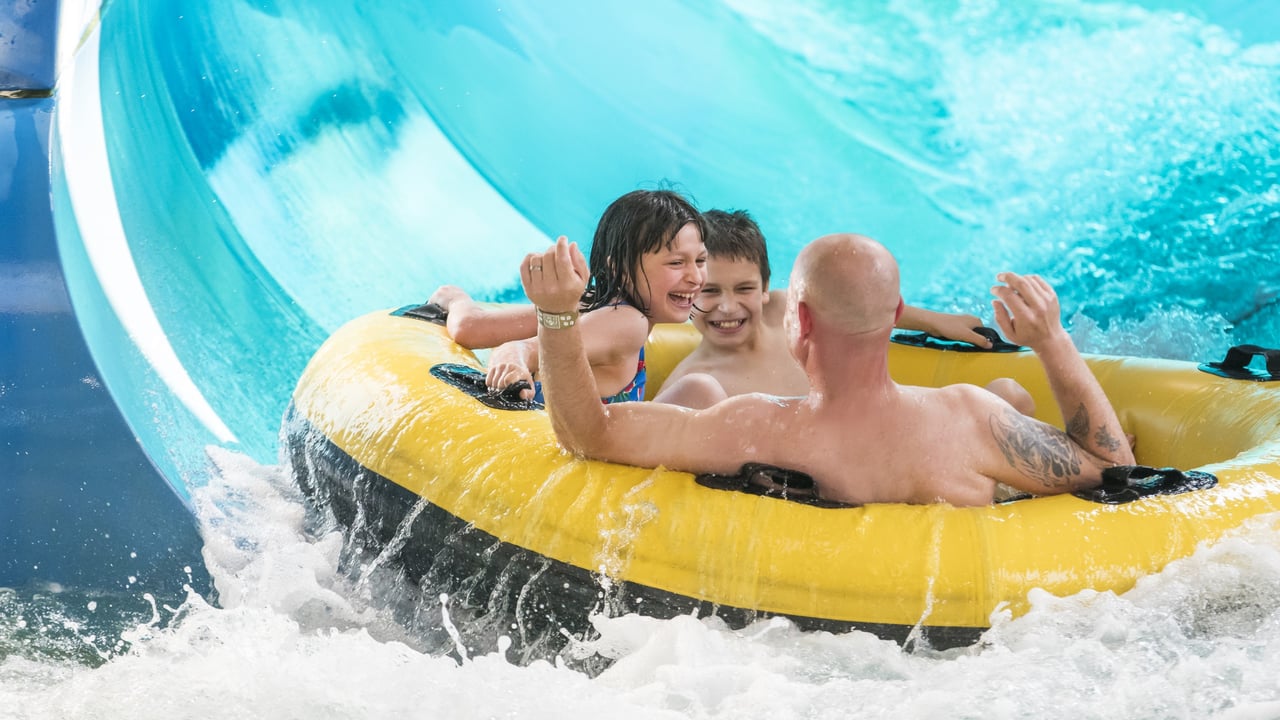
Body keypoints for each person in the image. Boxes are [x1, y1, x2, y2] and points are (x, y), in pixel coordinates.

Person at [520, 233, 1134, 507]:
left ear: (800, 321)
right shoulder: (970, 418)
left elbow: (587, 434)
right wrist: (1052, 341)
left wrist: (555, 316)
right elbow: (1116, 470)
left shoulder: (753, 429)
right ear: (895, 315)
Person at [653, 209, 1033, 414]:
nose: (728, 306)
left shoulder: (783, 309)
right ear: (688, 291)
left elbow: (855, 300)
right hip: (834, 473)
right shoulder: (695, 380)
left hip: (875, 428)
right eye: (710, 291)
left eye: (745, 289)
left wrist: (939, 322)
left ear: (765, 289)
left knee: (1010, 394)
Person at [429, 189, 707, 402]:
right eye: (676, 263)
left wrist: (459, 304)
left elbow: (471, 330)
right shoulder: (627, 322)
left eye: (700, 261)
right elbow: (527, 348)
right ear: (620, 269)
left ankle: (453, 299)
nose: (695, 277)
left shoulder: (588, 303)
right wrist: (514, 355)